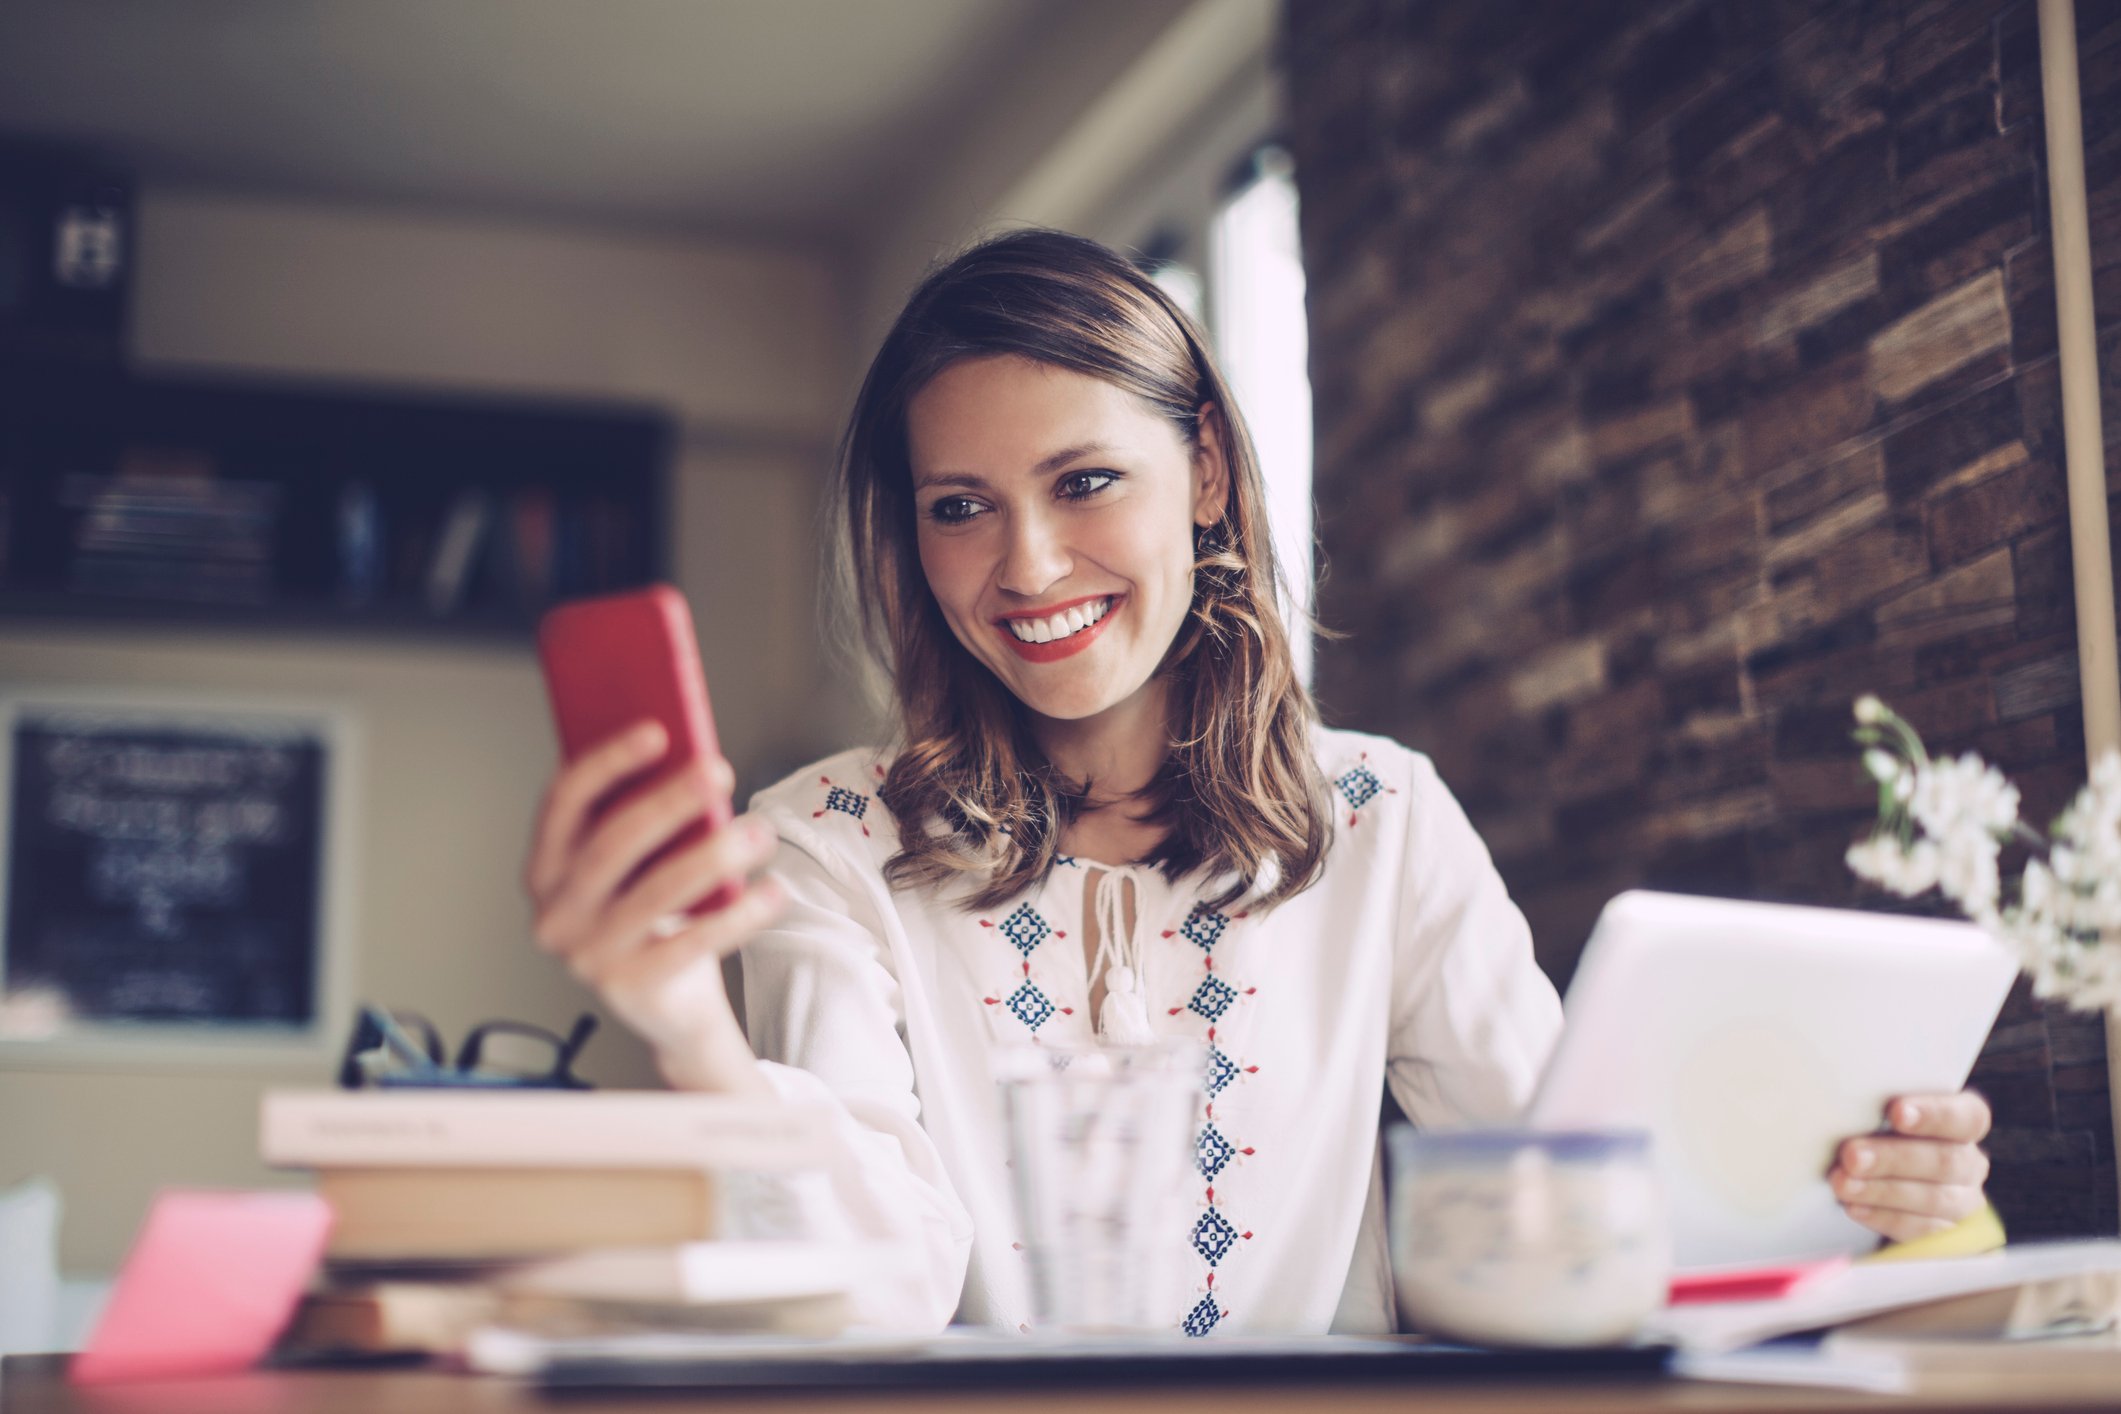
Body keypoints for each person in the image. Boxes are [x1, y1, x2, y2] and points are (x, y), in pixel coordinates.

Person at [523, 229, 1994, 1335]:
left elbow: (1582, 1219)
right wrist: (688, 1031)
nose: (1024, 566)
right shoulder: (820, 847)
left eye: (1084, 481)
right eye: (958, 507)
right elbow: (877, 1279)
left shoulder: (1384, 820)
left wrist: (1854, 1186)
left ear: (1207, 474)